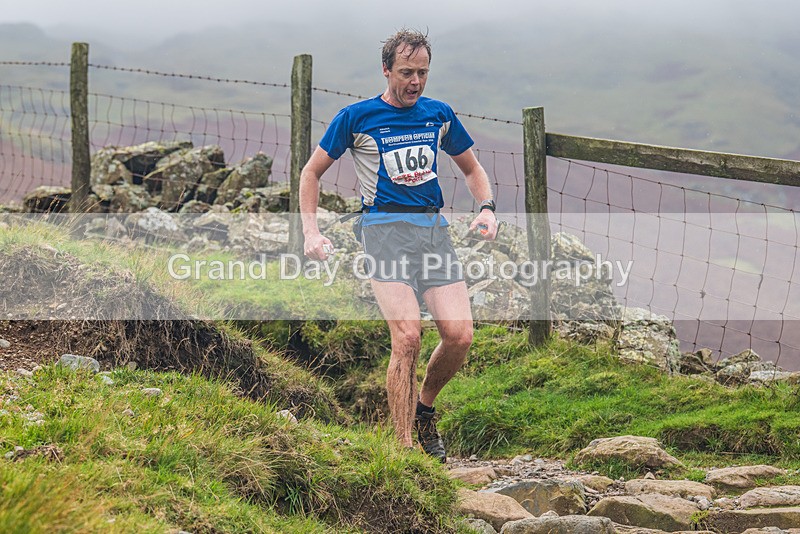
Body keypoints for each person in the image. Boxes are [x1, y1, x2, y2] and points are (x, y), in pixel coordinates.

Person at [300, 29, 499, 462]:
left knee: (460, 335)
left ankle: (424, 411)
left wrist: (486, 207)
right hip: (383, 233)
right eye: (407, 72)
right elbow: (310, 173)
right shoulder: (356, 117)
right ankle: (405, 450)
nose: (415, 82)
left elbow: (472, 168)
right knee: (408, 335)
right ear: (386, 70)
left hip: (432, 232)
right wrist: (310, 232)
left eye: (423, 73)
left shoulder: (438, 114)